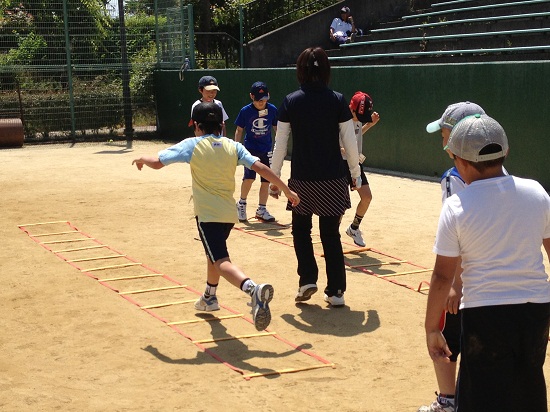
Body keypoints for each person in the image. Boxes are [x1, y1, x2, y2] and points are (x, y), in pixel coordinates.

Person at [132, 102, 300, 331]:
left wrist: (142, 158)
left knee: (221, 261)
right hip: (228, 215)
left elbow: (158, 163)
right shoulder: (233, 146)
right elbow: (261, 168)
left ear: (197, 126)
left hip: (208, 215)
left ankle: (253, 289)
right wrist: (287, 190)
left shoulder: (193, 144)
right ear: (222, 125)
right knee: (214, 254)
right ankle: (209, 297)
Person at [424, 114, 550, 411]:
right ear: (504, 153)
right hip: (536, 311)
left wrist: (432, 328)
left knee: (479, 395)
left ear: (462, 162)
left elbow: (442, 277)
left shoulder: (456, 206)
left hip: (485, 314)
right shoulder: (536, 191)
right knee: (529, 386)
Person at [270, 46, 361, 307]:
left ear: (300, 70)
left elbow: (281, 144)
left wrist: (274, 180)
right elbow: (350, 143)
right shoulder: (337, 99)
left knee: (301, 230)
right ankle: (336, 292)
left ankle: (307, 279)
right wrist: (356, 175)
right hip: (333, 178)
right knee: (330, 234)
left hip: (302, 180)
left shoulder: (290, 101)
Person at [419, 101, 487, 412]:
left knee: (445, 337)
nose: (441, 139)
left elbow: (459, 235)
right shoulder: (500, 174)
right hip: (490, 276)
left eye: (445, 133)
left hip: (466, 276)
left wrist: (454, 284)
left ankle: (448, 400)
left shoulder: (452, 177)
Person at [234, 81, 278, 223]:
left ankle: (262, 209)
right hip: (250, 149)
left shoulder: (272, 110)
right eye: (259, 100)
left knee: (266, 180)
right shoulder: (245, 111)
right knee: (249, 178)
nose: (262, 102)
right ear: (251, 96)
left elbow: (277, 128)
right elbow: (239, 130)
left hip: (266, 149)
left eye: (265, 99)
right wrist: (236, 148)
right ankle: (241, 203)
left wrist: (278, 147)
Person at [342, 91, 380, 247]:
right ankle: (331, 238)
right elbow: (333, 144)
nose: (360, 119)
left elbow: (356, 135)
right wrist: (346, 151)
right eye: (359, 115)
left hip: (355, 164)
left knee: (367, 197)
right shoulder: (340, 120)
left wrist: (369, 124)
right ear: (351, 109)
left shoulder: (357, 119)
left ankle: (354, 228)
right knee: (340, 205)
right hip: (340, 165)